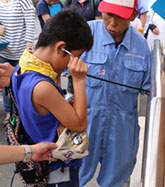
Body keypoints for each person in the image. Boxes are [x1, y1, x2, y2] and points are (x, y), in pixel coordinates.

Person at [10, 8, 93, 186]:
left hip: (39, 165)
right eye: (76, 56)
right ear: (61, 48)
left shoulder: (22, 67)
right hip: (56, 171)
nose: (74, 62)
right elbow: (79, 124)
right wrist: (78, 81)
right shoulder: (43, 88)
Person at [78, 0, 151, 186]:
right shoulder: (85, 34)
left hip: (123, 130)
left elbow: (151, 90)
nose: (112, 22)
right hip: (85, 124)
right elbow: (54, 64)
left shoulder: (142, 47)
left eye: (120, 16)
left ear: (133, 15)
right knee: (74, 176)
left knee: (117, 180)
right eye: (108, 14)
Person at [0, 0, 35, 126]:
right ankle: (8, 113)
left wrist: (28, 48)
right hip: (3, 52)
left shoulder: (23, 1)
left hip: (21, 53)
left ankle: (22, 114)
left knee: (21, 84)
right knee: (5, 85)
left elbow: (30, 24)